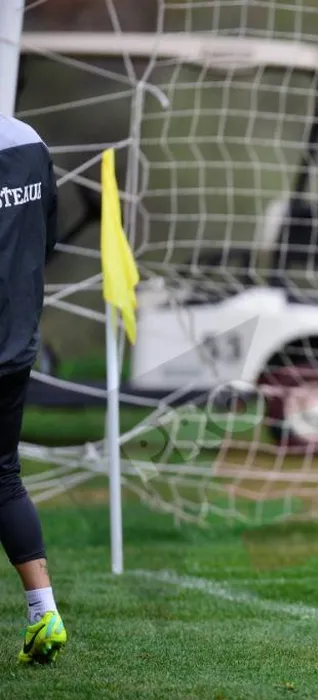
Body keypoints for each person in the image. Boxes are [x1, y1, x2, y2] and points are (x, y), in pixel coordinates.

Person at [0, 114, 66, 664]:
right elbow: (48, 236)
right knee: (3, 476)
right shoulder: (28, 140)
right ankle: (44, 613)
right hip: (16, 344)